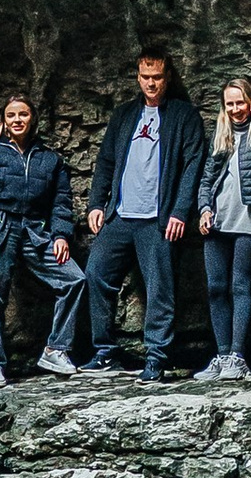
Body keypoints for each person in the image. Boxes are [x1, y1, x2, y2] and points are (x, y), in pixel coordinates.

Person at [82, 44, 207, 382]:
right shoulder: (124, 115)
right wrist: (96, 204)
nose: (151, 84)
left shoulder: (184, 116)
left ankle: (156, 356)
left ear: (168, 78)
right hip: (120, 215)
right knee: (96, 275)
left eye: (157, 77)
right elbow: (106, 162)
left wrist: (181, 211)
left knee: (160, 287)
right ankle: (105, 351)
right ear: (137, 77)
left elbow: (194, 166)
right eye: (145, 77)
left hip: (159, 217)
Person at [0, 91, 85, 384]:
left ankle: (56, 349)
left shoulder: (50, 159)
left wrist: (61, 236)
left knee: (74, 279)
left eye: (23, 114)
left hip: (35, 230)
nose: (17, 120)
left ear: (33, 119)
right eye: (11, 115)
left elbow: (61, 201)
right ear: (4, 122)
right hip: (0, 227)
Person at [194, 75, 251, 380]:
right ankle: (221, 356)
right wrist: (204, 209)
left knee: (239, 285)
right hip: (219, 218)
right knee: (216, 287)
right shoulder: (221, 134)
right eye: (229, 104)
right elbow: (207, 178)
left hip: (250, 217)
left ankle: (237, 356)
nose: (235, 109)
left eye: (240, 102)